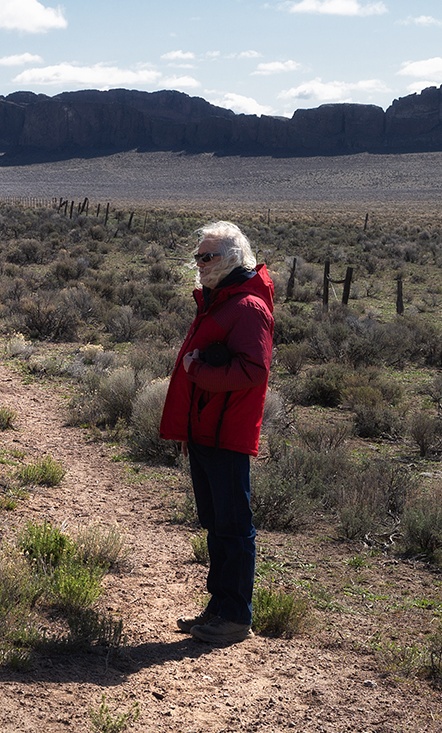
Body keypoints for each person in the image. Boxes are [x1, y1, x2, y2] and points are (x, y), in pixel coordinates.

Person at [159, 220, 274, 645]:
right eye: (198, 256)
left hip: (227, 434)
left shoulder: (246, 308)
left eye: (207, 256)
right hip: (207, 431)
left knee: (233, 526)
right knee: (216, 524)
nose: (200, 263)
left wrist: (199, 370)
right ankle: (219, 608)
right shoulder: (218, 302)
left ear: (231, 259)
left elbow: (253, 370)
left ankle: (235, 616)